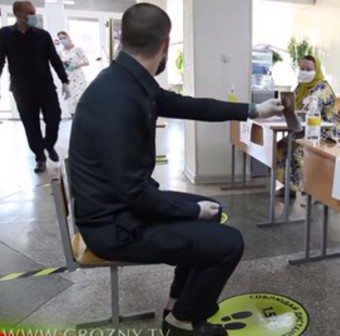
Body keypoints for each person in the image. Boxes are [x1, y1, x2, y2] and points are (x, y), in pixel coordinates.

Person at [68, 4, 283, 336]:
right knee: (229, 243)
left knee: (210, 214)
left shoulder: (126, 80)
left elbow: (185, 104)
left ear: (122, 39)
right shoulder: (117, 99)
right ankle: (184, 321)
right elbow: (133, 193)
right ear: (166, 44)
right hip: (112, 226)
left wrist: (253, 109)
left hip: (117, 207)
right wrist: (191, 211)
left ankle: (175, 307)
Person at [0, 1, 70, 173]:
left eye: (34, 12)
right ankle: (40, 157)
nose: (33, 16)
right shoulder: (4, 35)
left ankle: (49, 144)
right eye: (29, 13)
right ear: (17, 14)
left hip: (45, 87)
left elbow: (54, 59)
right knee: (31, 125)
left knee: (54, 117)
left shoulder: (43, 35)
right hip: (22, 90)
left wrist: (65, 81)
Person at [275, 55, 340, 196]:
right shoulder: (301, 87)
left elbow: (311, 109)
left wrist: (292, 112)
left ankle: (310, 188)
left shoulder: (322, 88)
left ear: (316, 70)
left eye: (309, 69)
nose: (304, 72)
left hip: (326, 134)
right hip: (305, 130)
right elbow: (293, 106)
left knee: (297, 151)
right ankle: (289, 187)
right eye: (302, 69)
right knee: (281, 147)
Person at [57, 31, 89, 117]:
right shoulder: (60, 53)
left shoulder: (77, 49)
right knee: (71, 102)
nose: (63, 40)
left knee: (80, 99)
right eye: (60, 39)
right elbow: (59, 65)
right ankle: (74, 123)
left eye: (64, 38)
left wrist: (76, 65)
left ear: (68, 37)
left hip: (78, 77)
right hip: (68, 78)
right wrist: (64, 66)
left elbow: (87, 62)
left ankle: (84, 121)